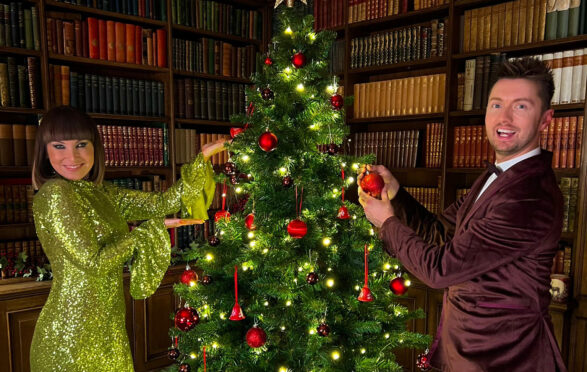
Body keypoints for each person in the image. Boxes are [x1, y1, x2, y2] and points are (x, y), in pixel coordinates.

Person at [358, 57, 567, 371]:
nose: (504, 119)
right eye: (496, 105)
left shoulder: (529, 195)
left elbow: (440, 270)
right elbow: (440, 233)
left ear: (546, 119)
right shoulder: (496, 176)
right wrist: (396, 195)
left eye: (521, 107)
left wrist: (386, 222)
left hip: (504, 359)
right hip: (464, 352)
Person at [29, 106, 225, 372]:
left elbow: (164, 202)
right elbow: (95, 263)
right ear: (45, 151)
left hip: (108, 326)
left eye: (81, 144)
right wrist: (147, 231)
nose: (72, 156)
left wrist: (202, 158)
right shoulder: (55, 194)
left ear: (95, 147)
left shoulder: (100, 193)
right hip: (70, 334)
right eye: (59, 146)